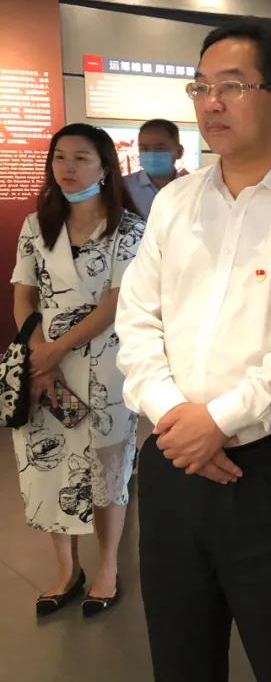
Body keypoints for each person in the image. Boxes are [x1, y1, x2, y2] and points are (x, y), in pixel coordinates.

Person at [115, 22, 271, 682]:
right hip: (172, 460)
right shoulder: (176, 203)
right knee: (181, 656)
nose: (211, 103)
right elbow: (137, 318)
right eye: (201, 87)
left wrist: (219, 420)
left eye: (231, 86)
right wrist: (175, 416)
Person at [10, 123, 144, 617]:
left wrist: (56, 350)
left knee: (107, 468)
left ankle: (107, 566)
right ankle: (66, 570)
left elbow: (115, 303)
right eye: (60, 157)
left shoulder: (128, 229)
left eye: (81, 158)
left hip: (105, 363)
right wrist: (39, 355)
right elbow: (23, 295)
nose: (68, 168)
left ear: (105, 167)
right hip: (44, 367)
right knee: (48, 467)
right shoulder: (36, 225)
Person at [122, 118, 187, 219]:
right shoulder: (123, 187)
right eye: (144, 149)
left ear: (179, 152)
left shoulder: (191, 188)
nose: (151, 154)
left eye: (159, 149)